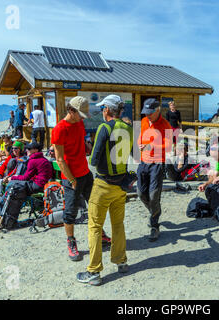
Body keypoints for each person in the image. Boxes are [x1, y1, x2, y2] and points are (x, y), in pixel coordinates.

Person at [77, 94, 133, 286]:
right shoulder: (128, 128)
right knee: (118, 224)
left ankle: (93, 271)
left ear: (108, 110)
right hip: (121, 184)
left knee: (94, 226)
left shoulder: (104, 127)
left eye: (103, 108)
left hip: (103, 185)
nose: (102, 111)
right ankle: (121, 260)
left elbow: (93, 160)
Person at [51, 96, 95, 261]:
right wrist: (72, 180)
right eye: (80, 114)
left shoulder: (79, 123)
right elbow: (60, 160)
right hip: (71, 178)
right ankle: (71, 242)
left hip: (86, 173)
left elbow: (82, 143)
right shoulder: (59, 129)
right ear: (71, 110)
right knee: (70, 212)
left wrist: (90, 148)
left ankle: (100, 234)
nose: (82, 118)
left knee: (95, 205)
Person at [137, 98, 172, 242]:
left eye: (150, 113)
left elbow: (169, 147)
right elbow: (141, 137)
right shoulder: (145, 121)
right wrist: (139, 144)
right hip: (143, 162)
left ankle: (154, 225)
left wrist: (153, 146)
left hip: (157, 163)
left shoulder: (166, 125)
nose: (147, 115)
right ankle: (155, 211)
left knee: (153, 195)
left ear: (157, 111)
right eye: (145, 113)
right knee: (140, 193)